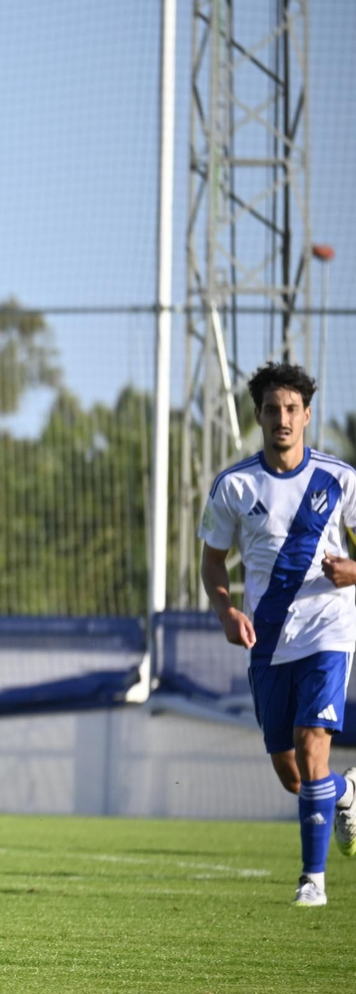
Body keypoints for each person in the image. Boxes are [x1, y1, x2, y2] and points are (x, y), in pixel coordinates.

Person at [198, 362, 356, 907]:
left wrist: (353, 572)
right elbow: (213, 564)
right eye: (272, 410)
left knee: (314, 747)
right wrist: (225, 613)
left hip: (328, 630)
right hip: (265, 639)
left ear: (307, 415)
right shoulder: (235, 485)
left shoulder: (340, 479)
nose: (282, 419)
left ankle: (312, 879)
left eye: (292, 410)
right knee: (293, 775)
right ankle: (347, 792)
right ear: (259, 415)